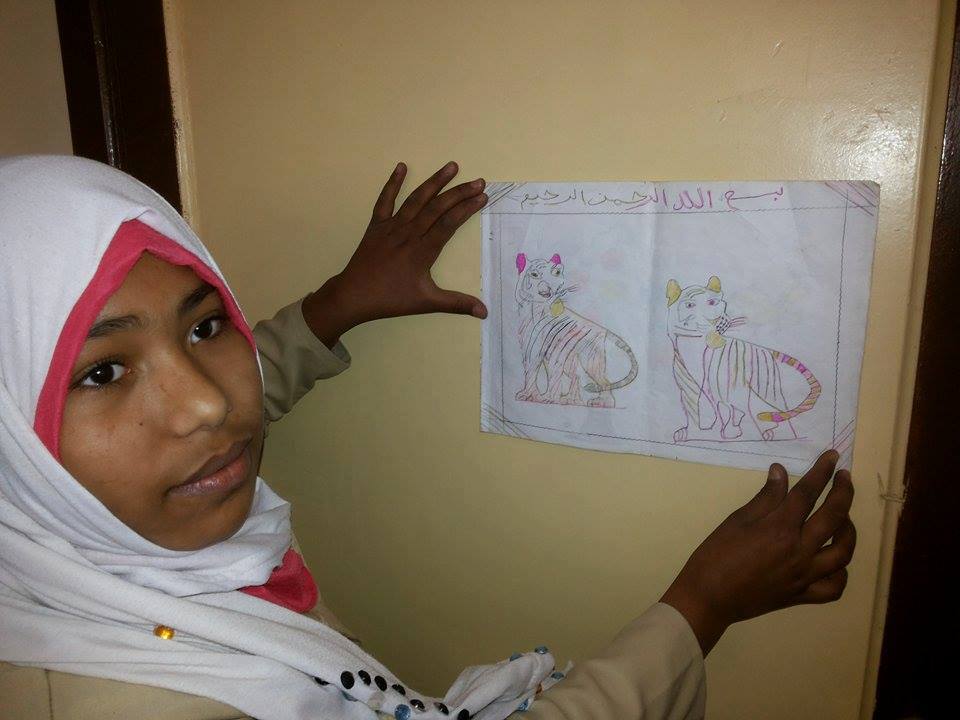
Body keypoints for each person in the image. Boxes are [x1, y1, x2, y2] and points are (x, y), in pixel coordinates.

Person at [0, 155, 855, 720]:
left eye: (203, 325)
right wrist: (700, 607)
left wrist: (336, 306)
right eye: (100, 373)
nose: (208, 405)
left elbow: (244, 375)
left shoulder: (63, 544)